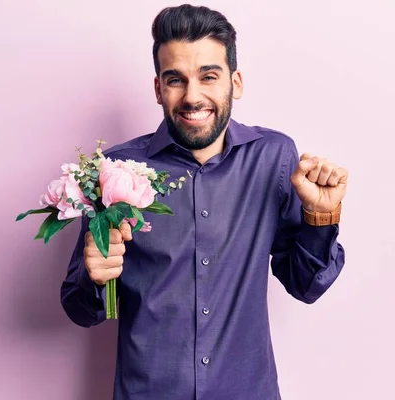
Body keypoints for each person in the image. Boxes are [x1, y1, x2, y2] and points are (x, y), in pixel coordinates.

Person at [60, 4, 348, 400]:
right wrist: (93, 277)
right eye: (175, 79)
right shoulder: (113, 169)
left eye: (208, 76)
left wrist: (320, 215)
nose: (192, 96)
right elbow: (80, 309)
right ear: (159, 88)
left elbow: (306, 286)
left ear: (236, 82)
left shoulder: (275, 158)